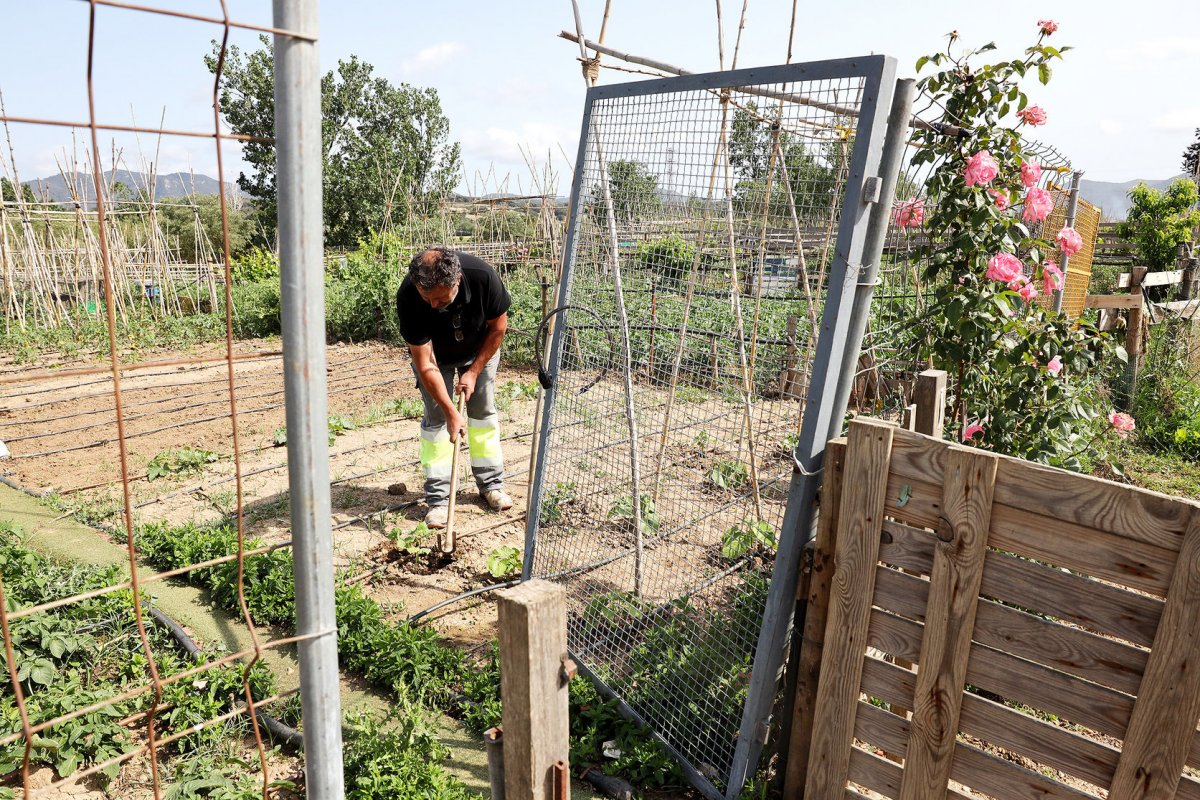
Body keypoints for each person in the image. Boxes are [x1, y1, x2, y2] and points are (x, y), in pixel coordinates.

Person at [396, 246, 514, 529]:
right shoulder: (409, 296)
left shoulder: (483, 277)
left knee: (482, 412)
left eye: (440, 298)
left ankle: (491, 486)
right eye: (428, 299)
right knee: (437, 419)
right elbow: (425, 364)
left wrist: (473, 372)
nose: (434, 306)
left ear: (457, 281)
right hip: (436, 356)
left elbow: (498, 328)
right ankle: (438, 500)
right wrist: (451, 411)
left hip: (480, 348)